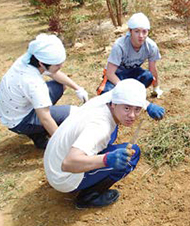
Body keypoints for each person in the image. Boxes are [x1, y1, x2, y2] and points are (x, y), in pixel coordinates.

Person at [44, 79, 146, 208]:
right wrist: (106, 160)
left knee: (112, 133)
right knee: (132, 154)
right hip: (63, 176)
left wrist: (148, 105)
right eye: (126, 108)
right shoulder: (100, 127)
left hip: (54, 162)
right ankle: (89, 197)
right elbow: (68, 164)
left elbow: (128, 94)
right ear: (114, 104)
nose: (132, 115)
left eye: (137, 109)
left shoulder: (106, 99)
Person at [0, 34, 88, 149]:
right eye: (58, 65)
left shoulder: (29, 60)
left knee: (60, 85)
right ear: (41, 63)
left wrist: (78, 88)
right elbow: (45, 118)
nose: (62, 66)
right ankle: (37, 133)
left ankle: (38, 134)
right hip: (21, 120)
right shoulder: (33, 83)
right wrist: (62, 145)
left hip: (15, 111)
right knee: (74, 113)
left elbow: (53, 73)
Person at [97, 12, 163, 98]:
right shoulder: (120, 46)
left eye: (144, 32)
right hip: (117, 74)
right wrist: (124, 88)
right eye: (136, 31)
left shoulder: (151, 46)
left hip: (133, 72)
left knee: (148, 77)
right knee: (106, 94)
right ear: (130, 31)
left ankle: (133, 94)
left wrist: (156, 88)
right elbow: (110, 73)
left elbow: (152, 69)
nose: (141, 36)